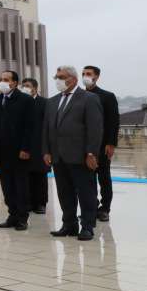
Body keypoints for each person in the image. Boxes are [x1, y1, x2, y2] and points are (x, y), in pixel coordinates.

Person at [44, 65, 104, 241]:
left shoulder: (89, 99)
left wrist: (92, 153)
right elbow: (47, 129)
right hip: (58, 155)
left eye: (61, 76)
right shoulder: (52, 101)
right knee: (64, 192)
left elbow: (95, 128)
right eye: (56, 76)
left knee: (86, 192)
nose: (57, 80)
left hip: (81, 156)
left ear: (73, 79)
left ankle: (87, 226)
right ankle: (69, 224)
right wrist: (46, 151)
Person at [0, 70, 35, 231]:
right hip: (0, 151)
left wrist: (26, 148)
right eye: (0, 79)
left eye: (6, 79)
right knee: (7, 186)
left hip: (19, 151)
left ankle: (22, 218)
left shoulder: (25, 100)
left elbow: (31, 127)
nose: (2, 82)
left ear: (14, 82)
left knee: (20, 185)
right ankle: (12, 215)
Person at [82, 66, 120, 222]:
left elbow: (113, 121)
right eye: (83, 74)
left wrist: (111, 143)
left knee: (104, 177)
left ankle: (105, 208)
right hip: (83, 145)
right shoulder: (79, 96)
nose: (85, 76)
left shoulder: (107, 96)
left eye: (89, 74)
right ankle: (91, 206)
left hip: (102, 144)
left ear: (97, 77)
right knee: (86, 179)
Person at [21, 78, 48, 214]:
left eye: (27, 86)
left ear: (35, 88)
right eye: (23, 85)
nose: (25, 88)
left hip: (40, 146)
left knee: (40, 176)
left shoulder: (44, 103)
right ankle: (29, 202)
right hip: (24, 146)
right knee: (26, 176)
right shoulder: (21, 102)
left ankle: (41, 203)